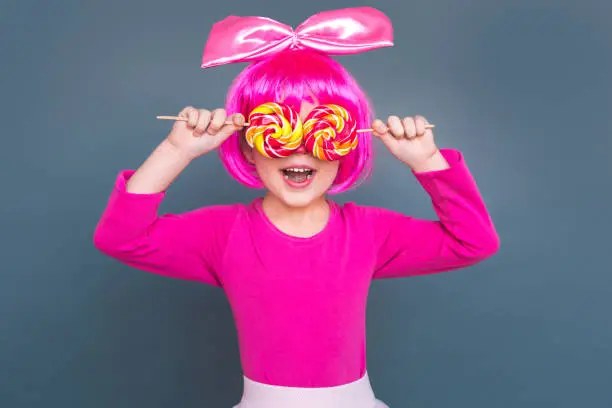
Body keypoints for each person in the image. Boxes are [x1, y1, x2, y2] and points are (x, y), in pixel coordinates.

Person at [93, 7, 499, 408]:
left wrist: (427, 162)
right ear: (250, 147)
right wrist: (176, 150)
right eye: (278, 133)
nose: (302, 148)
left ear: (346, 145)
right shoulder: (225, 233)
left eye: (323, 131)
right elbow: (120, 237)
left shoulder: (369, 232)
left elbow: (473, 242)